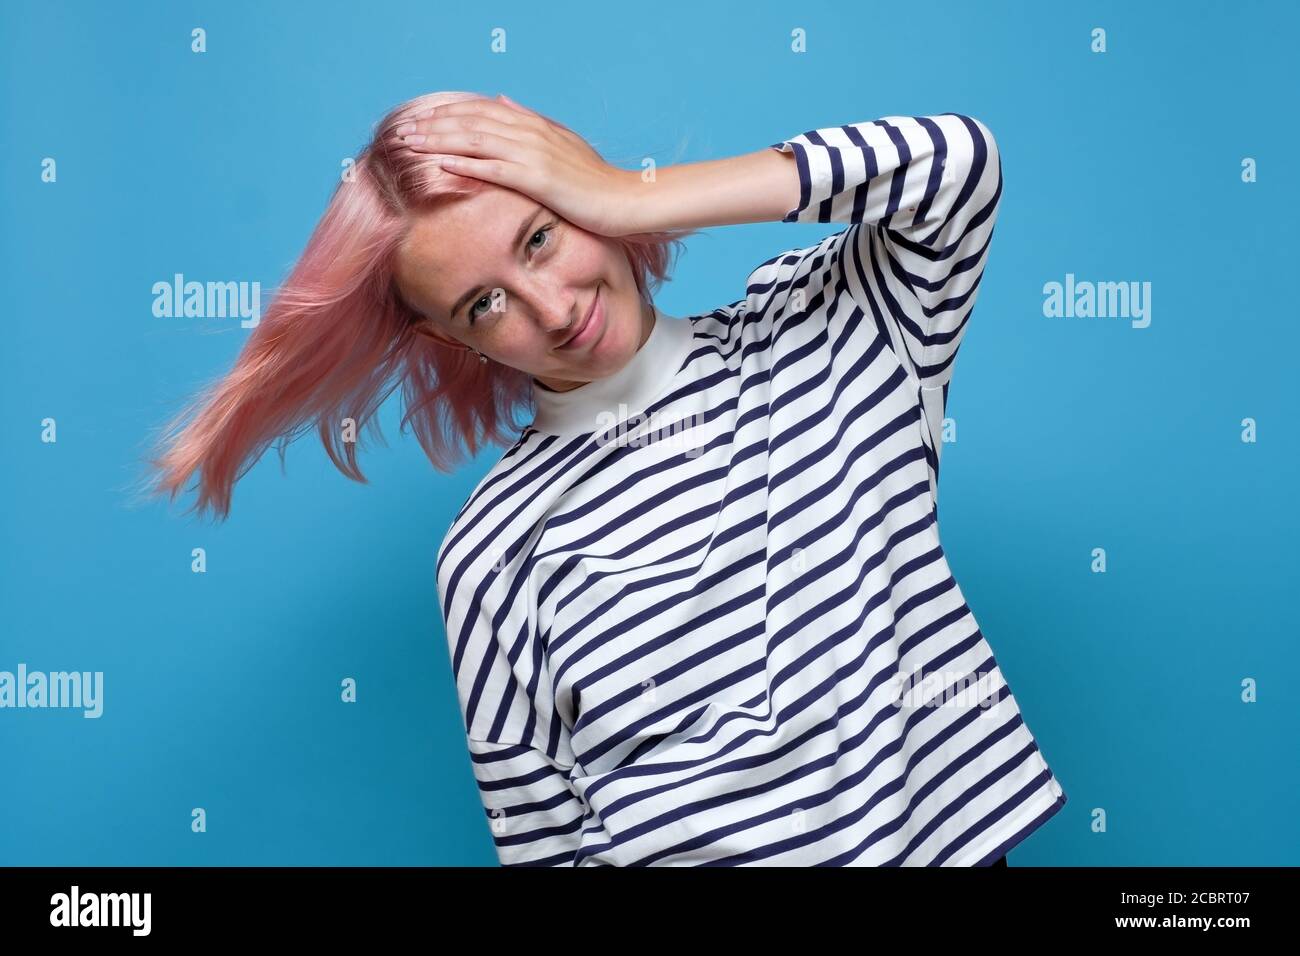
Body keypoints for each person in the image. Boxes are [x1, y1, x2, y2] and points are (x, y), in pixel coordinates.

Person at [142, 90, 1067, 867]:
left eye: (541, 238)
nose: (551, 309)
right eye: (485, 302)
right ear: (450, 339)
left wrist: (629, 195)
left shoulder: (831, 335)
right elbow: (549, 847)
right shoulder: (491, 554)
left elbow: (957, 163)